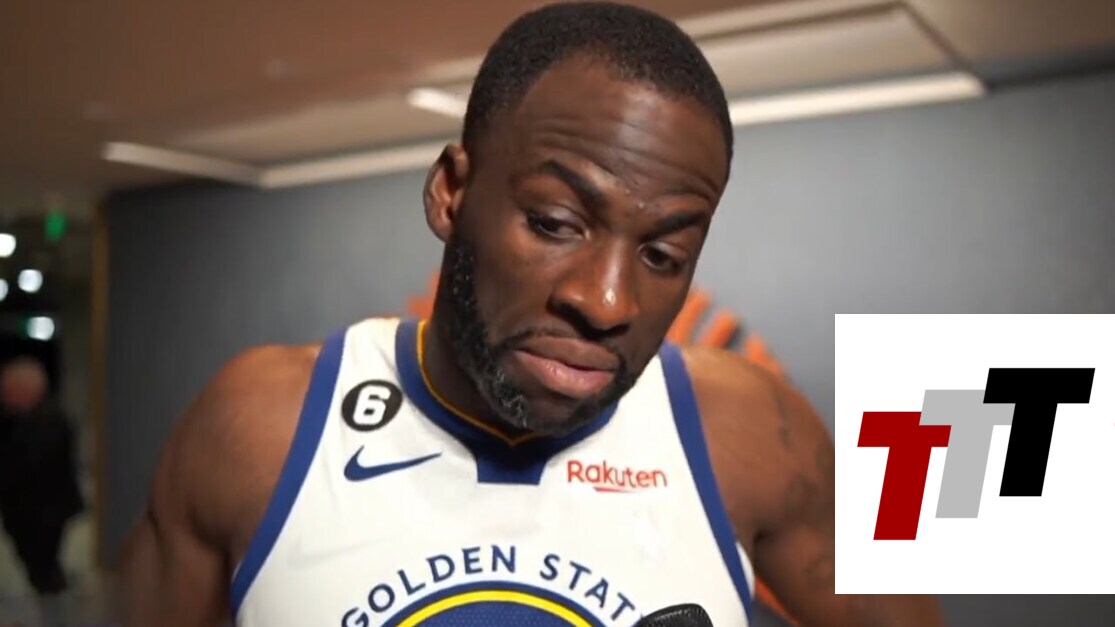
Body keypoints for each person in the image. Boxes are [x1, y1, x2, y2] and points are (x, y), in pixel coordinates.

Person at [120, 3, 944, 626]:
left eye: (662, 254)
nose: (607, 302)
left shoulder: (751, 434)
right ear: (451, 192)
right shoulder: (259, 428)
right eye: (555, 223)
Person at [0, 357, 84, 602]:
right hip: (32, 511)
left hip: (43, 512)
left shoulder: (49, 422)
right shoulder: (23, 421)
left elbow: (25, 465)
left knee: (44, 571)